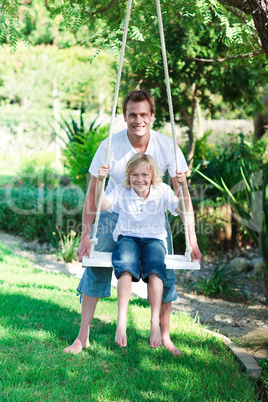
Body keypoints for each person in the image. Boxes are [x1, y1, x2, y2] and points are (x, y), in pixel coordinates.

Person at [64, 90, 202, 355]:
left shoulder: (167, 147)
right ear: (125, 116)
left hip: (152, 217)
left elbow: (183, 200)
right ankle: (83, 337)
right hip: (115, 211)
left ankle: (165, 336)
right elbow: (93, 197)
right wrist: (85, 236)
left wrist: (192, 240)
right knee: (95, 269)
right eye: (132, 115)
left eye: (143, 114)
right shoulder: (109, 147)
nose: (138, 120)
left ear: (152, 116)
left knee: (163, 272)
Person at [95, 153, 188, 348]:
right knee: (125, 268)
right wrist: (100, 182)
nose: (140, 179)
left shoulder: (162, 190)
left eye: (145, 175)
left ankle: (155, 323)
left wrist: (184, 186)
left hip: (153, 239)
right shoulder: (122, 191)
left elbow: (181, 210)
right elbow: (102, 205)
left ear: (152, 175)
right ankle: (121, 321)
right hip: (127, 237)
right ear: (129, 176)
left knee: (155, 270)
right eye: (135, 175)